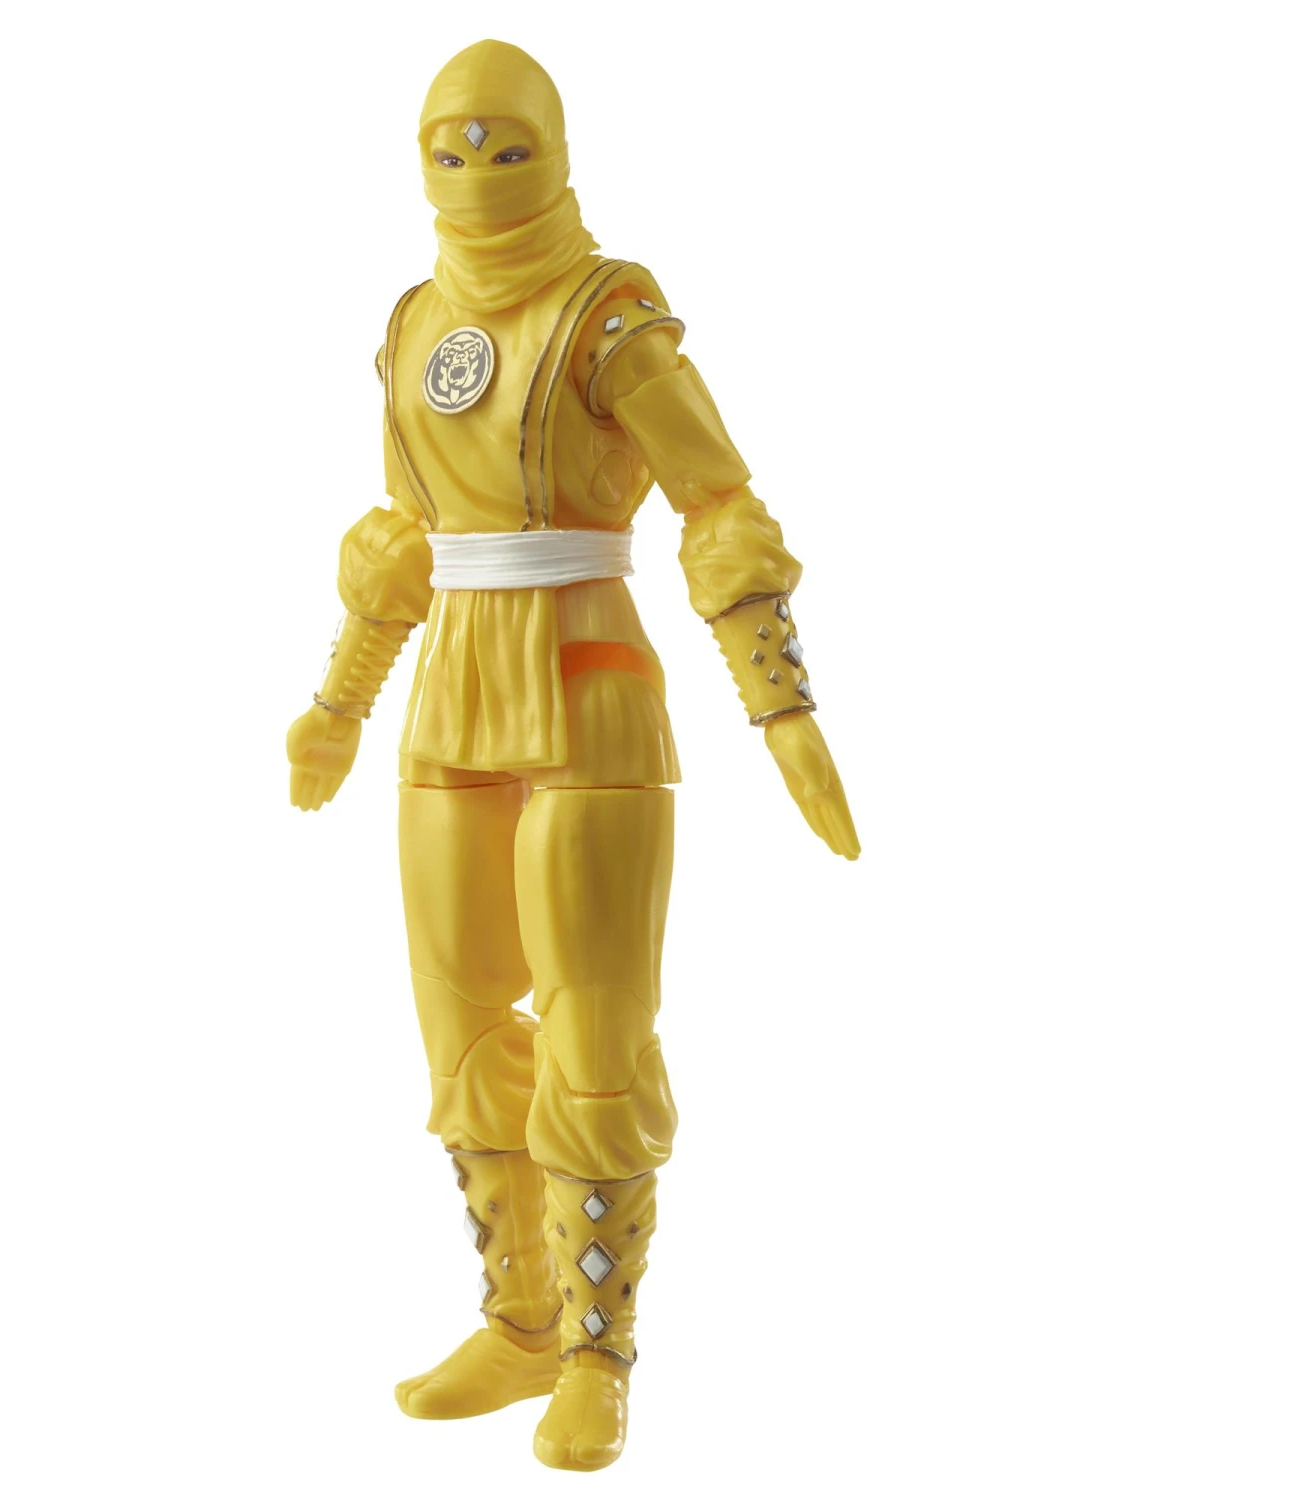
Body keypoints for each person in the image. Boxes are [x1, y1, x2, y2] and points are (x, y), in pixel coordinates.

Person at [287, 38, 859, 1471]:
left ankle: (601, 1353)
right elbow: (401, 532)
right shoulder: (414, 321)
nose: (476, 169)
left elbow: (716, 500)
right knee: (463, 1027)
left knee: (594, 1037)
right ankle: (522, 1319)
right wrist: (341, 700)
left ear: (556, 150)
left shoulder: (610, 315)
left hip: (588, 684)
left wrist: (781, 703)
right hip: (450, 697)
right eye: (450, 144)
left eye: (505, 144)